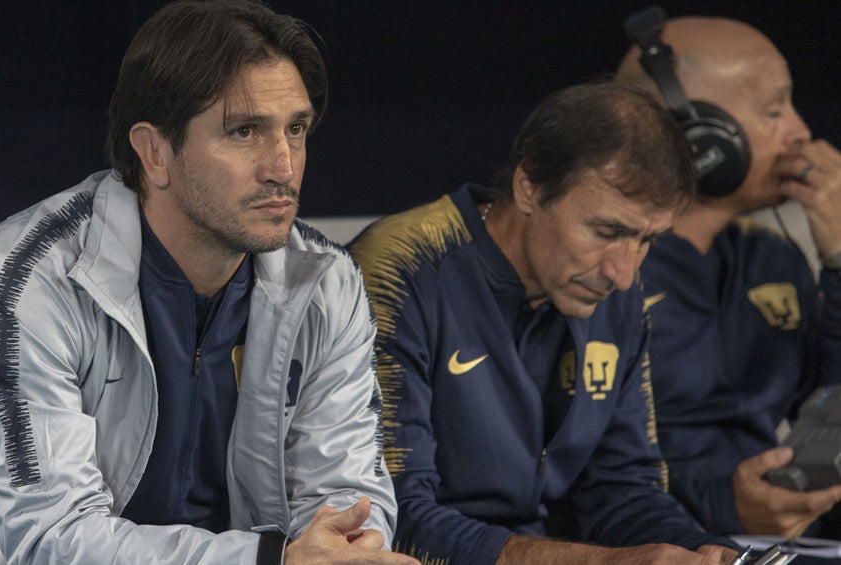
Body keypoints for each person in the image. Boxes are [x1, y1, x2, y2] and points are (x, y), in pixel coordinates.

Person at [0, 2, 417, 564]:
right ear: (155, 153)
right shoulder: (19, 285)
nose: (283, 164)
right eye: (245, 131)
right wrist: (271, 560)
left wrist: (343, 550)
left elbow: (347, 499)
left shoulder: (327, 284)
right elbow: (51, 540)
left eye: (296, 129)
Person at [348, 81, 740, 564]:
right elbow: (385, 524)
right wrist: (599, 563)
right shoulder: (397, 268)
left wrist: (703, 551)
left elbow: (622, 488)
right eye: (607, 231)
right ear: (529, 186)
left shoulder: (615, 291)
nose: (624, 273)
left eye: (648, 240)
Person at [615, 14, 841, 538]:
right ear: (697, 134)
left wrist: (839, 260)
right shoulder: (603, 263)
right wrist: (720, 506)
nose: (801, 132)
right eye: (773, 110)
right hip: (649, 541)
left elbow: (833, 404)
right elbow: (565, 466)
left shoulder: (771, 255)